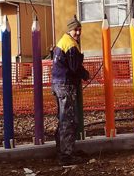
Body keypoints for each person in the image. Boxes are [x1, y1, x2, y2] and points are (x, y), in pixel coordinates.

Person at [51, 15, 89, 166]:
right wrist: (85, 74)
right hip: (65, 85)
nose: (78, 33)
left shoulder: (63, 41)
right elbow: (74, 67)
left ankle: (61, 150)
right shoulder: (71, 45)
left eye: (80, 30)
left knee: (62, 117)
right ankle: (66, 155)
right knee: (68, 119)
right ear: (70, 30)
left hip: (58, 84)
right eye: (76, 30)